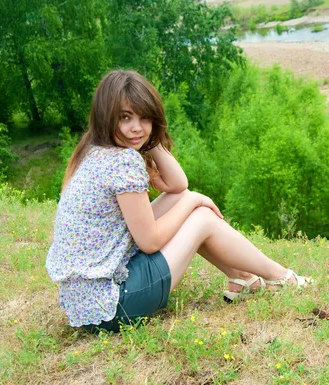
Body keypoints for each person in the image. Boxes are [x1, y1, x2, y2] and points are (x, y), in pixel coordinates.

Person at [46, 70, 312, 333]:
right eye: (125, 117)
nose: (136, 127)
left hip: (89, 306)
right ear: (106, 117)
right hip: (116, 304)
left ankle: (242, 278)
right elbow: (149, 242)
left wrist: (149, 142)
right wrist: (195, 200)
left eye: (145, 117)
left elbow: (177, 187)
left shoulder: (93, 151)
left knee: (184, 201)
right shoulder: (121, 161)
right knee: (202, 218)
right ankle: (281, 277)